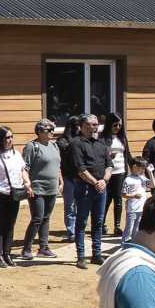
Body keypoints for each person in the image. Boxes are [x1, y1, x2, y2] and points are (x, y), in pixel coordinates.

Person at [66, 113, 112, 267]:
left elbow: (109, 165)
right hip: (84, 187)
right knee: (82, 221)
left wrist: (104, 180)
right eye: (93, 124)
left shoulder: (101, 144)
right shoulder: (76, 143)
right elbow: (80, 169)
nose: (96, 126)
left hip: (101, 187)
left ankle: (96, 254)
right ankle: (80, 257)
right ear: (84, 126)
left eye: (96, 124)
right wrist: (95, 183)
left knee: (98, 222)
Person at [0, 126, 29, 269]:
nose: (9, 140)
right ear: (0, 139)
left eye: (11, 137)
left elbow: (22, 170)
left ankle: (7, 254)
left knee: (10, 225)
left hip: (13, 194)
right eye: (6, 137)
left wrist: (27, 181)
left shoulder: (16, 154)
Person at [20, 120, 62, 260]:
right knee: (37, 218)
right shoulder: (32, 146)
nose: (51, 132)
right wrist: (28, 185)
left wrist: (60, 181)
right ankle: (26, 248)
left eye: (52, 129)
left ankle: (43, 248)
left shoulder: (54, 145)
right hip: (37, 188)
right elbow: (24, 167)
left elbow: (58, 166)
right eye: (48, 129)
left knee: (46, 218)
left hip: (52, 188)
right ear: (38, 131)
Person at [102, 114, 130, 238]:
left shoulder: (122, 138)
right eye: (115, 125)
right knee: (106, 199)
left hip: (120, 171)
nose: (118, 127)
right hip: (107, 172)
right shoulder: (102, 138)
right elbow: (99, 154)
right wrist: (108, 156)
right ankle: (101, 224)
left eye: (119, 125)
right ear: (109, 125)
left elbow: (127, 154)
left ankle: (117, 226)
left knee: (118, 199)